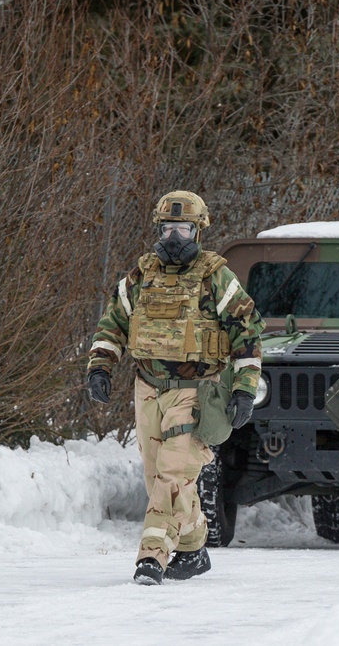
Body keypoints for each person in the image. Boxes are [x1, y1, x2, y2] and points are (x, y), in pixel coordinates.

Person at [86, 190, 264, 585]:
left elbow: (248, 335)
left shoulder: (217, 277)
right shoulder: (140, 276)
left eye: (182, 229)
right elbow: (112, 325)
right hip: (147, 389)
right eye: (167, 229)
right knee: (159, 480)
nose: (173, 238)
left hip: (196, 391)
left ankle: (151, 558)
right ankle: (194, 547)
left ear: (198, 232)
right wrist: (100, 366)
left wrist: (244, 389)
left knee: (172, 477)